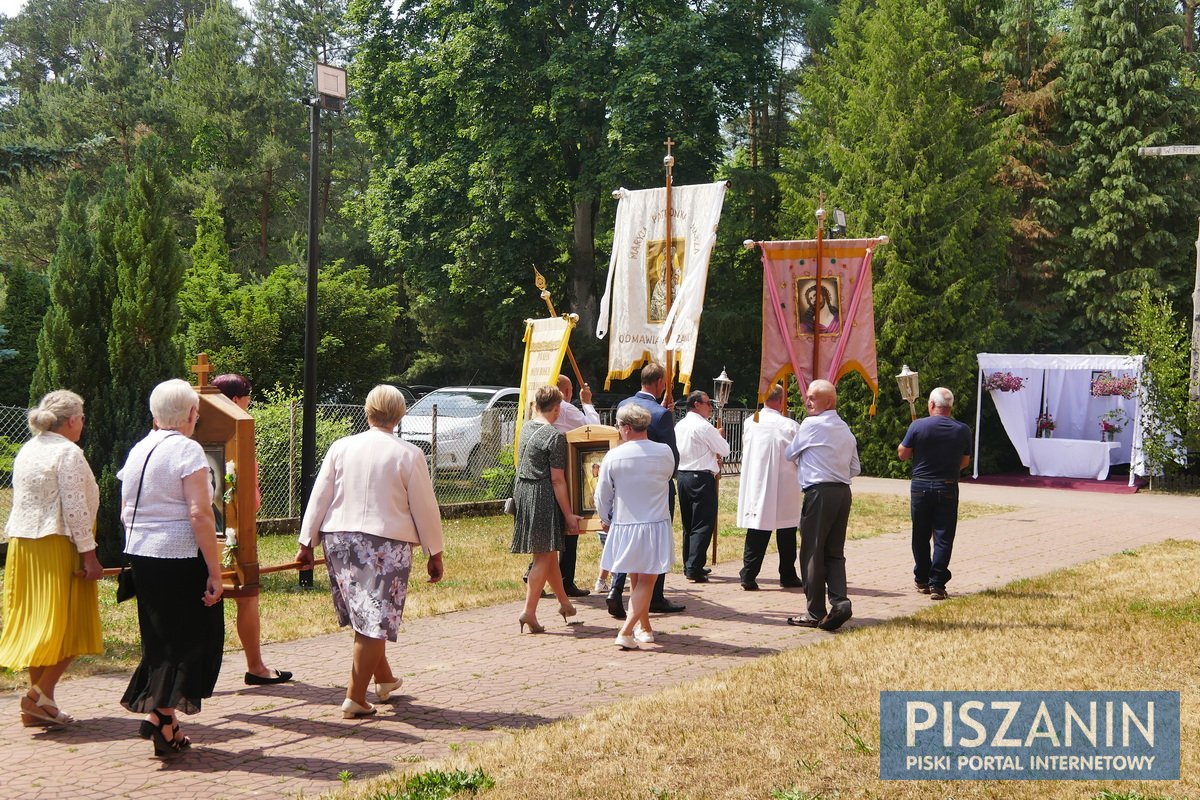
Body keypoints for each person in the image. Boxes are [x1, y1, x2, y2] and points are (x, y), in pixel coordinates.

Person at [297, 385, 444, 718]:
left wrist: (306, 542)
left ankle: (385, 679)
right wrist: (434, 552)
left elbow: (320, 495)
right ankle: (355, 697)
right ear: (401, 414)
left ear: (367, 410)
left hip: (338, 538)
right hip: (384, 543)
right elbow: (424, 506)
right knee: (375, 620)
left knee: (365, 614)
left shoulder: (341, 447)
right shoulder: (409, 454)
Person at [118, 379, 225, 756]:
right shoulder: (187, 450)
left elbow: (126, 507)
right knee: (195, 637)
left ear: (154, 413)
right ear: (192, 414)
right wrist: (214, 571)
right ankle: (162, 714)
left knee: (161, 637)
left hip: (142, 555)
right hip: (179, 555)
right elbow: (200, 513)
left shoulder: (138, 449)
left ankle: (165, 721)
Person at [0, 390, 101, 727]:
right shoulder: (68, 453)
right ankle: (37, 695)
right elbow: (75, 508)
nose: (83, 424)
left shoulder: (29, 449)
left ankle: (42, 705)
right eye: (82, 418)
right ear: (72, 420)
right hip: (59, 544)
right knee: (68, 624)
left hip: (24, 546)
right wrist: (90, 555)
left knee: (37, 625)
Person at [211, 373, 292, 686]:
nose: (249, 403)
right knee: (247, 595)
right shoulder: (239, 435)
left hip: (208, 532)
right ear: (235, 401)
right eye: (247, 397)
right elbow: (251, 499)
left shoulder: (199, 431)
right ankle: (255, 666)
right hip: (233, 532)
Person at [607, 363, 686, 618]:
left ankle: (616, 588)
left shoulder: (624, 405)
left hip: (625, 481)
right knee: (654, 542)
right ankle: (655, 596)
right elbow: (672, 454)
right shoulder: (661, 414)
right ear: (660, 382)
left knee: (626, 536)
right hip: (654, 483)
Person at [596, 404, 675, 650]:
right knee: (643, 579)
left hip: (626, 522)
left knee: (641, 579)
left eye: (619, 427)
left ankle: (634, 628)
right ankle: (634, 628)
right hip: (653, 523)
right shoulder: (664, 452)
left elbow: (602, 494)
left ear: (627, 427)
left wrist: (604, 517)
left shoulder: (614, 455)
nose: (619, 431)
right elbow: (667, 477)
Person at [784, 379, 859, 631]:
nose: (808, 401)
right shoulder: (844, 427)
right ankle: (840, 601)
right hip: (842, 492)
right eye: (808, 396)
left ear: (829, 401)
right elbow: (855, 467)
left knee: (812, 551)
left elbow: (789, 453)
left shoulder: (811, 424)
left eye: (813, 397)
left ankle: (815, 611)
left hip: (819, 492)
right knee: (834, 552)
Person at [510, 385, 583, 633]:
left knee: (548, 552)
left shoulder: (527, 428)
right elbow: (557, 480)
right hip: (542, 495)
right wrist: (569, 514)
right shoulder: (554, 436)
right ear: (558, 408)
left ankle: (564, 604)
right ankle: (529, 612)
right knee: (542, 556)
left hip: (524, 492)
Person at [897, 387, 972, 601]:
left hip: (920, 485)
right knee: (943, 535)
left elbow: (902, 454)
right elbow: (965, 462)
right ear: (951, 406)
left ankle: (921, 578)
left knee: (920, 534)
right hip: (947, 485)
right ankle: (937, 583)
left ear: (931, 404)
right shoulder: (962, 429)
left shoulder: (918, 425)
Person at [737, 384, 803, 591]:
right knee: (786, 531)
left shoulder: (751, 421)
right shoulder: (790, 425)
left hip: (758, 482)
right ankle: (787, 573)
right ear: (781, 401)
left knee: (758, 528)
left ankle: (749, 573)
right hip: (785, 482)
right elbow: (799, 454)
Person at [550, 373, 600, 598]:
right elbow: (593, 429)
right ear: (568, 392)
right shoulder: (566, 409)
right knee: (572, 527)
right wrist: (587, 402)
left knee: (550, 527)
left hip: (546, 472)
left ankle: (534, 571)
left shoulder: (540, 409)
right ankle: (565, 580)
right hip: (567, 470)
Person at [674, 390, 729, 582]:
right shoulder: (704, 427)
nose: (710, 407)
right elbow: (725, 450)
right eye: (707, 403)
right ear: (697, 404)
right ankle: (694, 567)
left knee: (689, 524)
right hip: (700, 478)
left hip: (683, 476)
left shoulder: (679, 425)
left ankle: (689, 562)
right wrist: (719, 436)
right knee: (702, 524)